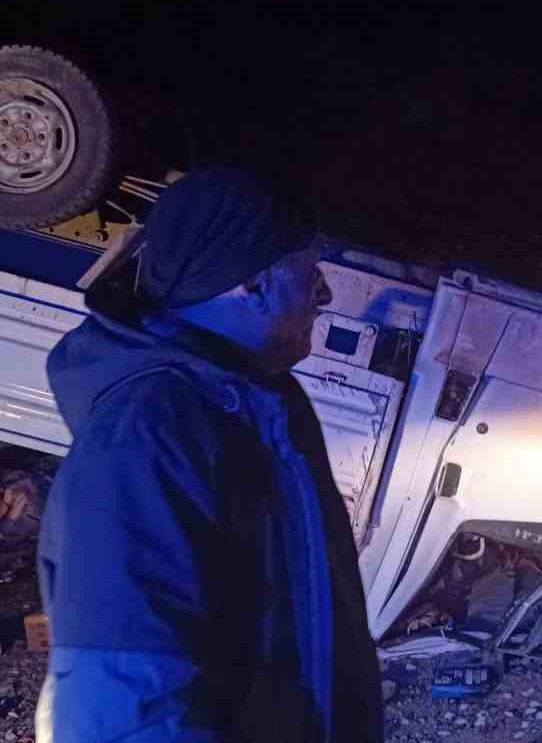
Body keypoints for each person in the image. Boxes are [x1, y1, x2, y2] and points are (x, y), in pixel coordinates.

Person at [34, 168, 383, 742]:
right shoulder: (146, 437)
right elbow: (128, 708)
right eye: (308, 272)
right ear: (251, 286)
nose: (322, 295)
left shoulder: (245, 400)